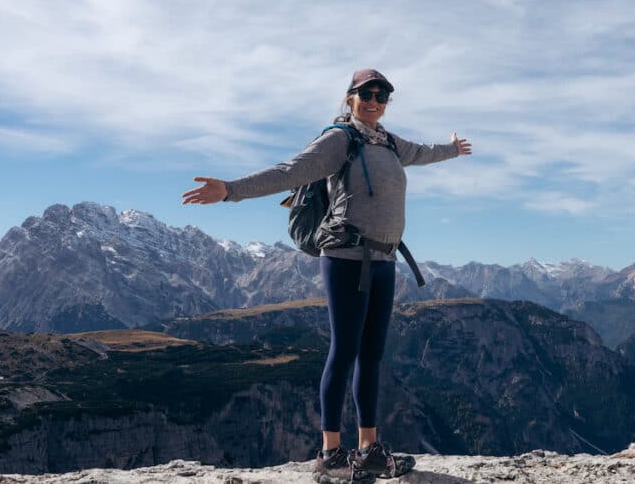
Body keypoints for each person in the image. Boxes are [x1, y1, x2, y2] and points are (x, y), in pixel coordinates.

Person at [182, 68, 472, 484]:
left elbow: (423, 152)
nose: (374, 101)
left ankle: (370, 449)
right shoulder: (340, 140)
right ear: (350, 97)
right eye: (366, 93)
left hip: (385, 260)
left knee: (372, 355)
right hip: (347, 259)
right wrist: (230, 189)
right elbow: (290, 172)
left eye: (382, 95)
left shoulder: (389, 142)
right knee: (344, 352)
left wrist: (451, 149)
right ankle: (331, 453)